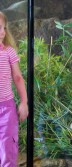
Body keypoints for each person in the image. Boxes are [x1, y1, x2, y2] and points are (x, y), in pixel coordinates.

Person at [0, 11, 28, 167]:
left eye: (4, 28)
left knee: (8, 149)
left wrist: (24, 102)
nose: (3, 32)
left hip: (6, 109)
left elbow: (18, 77)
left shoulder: (8, 51)